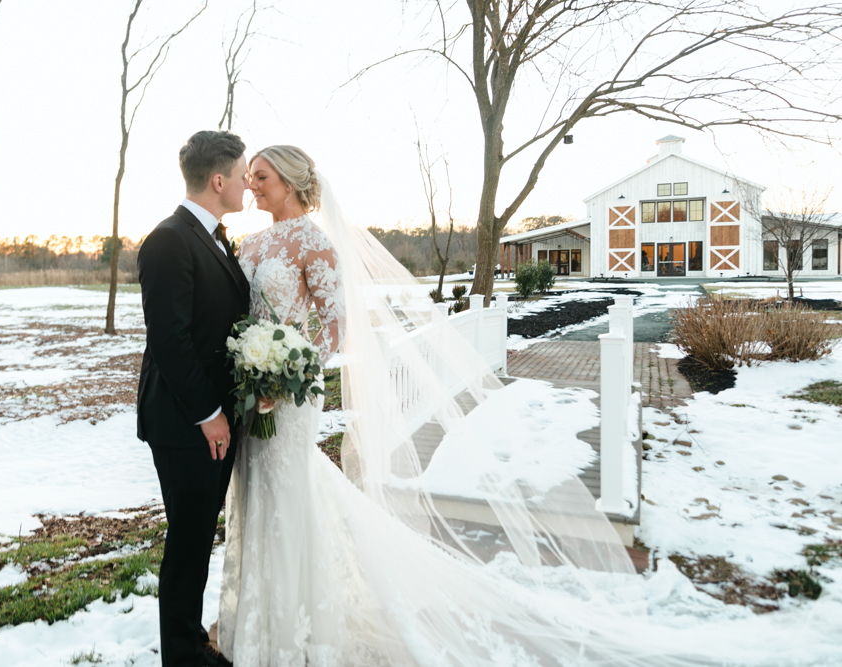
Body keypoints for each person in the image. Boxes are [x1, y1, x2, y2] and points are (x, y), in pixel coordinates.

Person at [216, 145, 842, 666]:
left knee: (292, 493)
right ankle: (261, 617)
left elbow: (332, 325)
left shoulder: (315, 244)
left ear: (294, 182)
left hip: (288, 397)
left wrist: (290, 375)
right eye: (251, 178)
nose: (253, 184)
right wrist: (251, 363)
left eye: (262, 177)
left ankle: (299, 627)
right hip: (252, 391)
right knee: (263, 495)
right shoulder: (251, 245)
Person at [137, 130, 250, 667]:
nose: (248, 183)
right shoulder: (169, 240)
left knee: (199, 534)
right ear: (219, 179)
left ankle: (189, 643)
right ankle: (183, 655)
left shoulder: (211, 236)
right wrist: (209, 415)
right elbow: (169, 339)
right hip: (185, 423)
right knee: (187, 543)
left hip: (211, 419)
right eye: (243, 174)